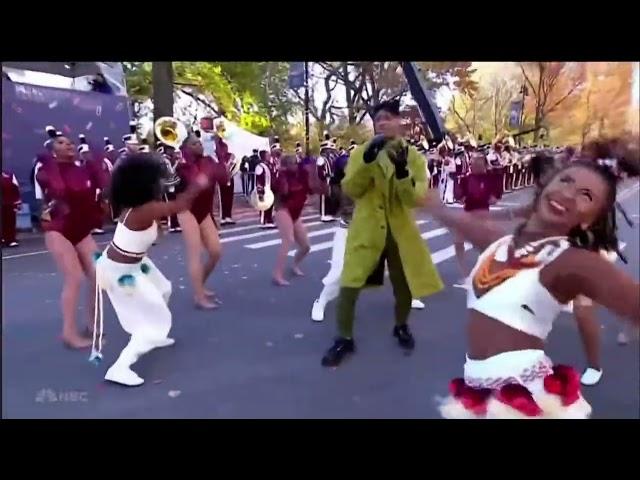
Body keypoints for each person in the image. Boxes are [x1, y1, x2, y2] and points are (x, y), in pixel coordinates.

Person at [422, 145, 640, 419]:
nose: (568, 194)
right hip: (477, 392)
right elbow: (459, 221)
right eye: (566, 180)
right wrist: (432, 206)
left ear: (589, 222)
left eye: (586, 195)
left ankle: (594, 365)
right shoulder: (498, 243)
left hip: (525, 403)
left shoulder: (573, 262)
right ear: (547, 184)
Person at [320, 99, 444, 367]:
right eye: (378, 119)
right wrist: (367, 160)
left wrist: (401, 172)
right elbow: (351, 189)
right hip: (367, 229)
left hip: (399, 231)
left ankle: (401, 326)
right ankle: (344, 338)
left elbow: (413, 199)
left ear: (400, 122)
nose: (383, 122)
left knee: (403, 285)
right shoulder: (362, 152)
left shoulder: (414, 157)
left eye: (388, 117)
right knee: (349, 283)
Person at [93, 152, 209, 386]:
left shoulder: (139, 206)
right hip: (121, 271)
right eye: (157, 179)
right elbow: (182, 204)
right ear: (145, 184)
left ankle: (154, 334)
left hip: (136, 263)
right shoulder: (145, 209)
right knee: (153, 322)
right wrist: (199, 183)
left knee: (164, 289)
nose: (160, 182)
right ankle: (120, 367)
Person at [311, 142, 427, 322]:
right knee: (340, 270)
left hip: (376, 231)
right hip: (348, 231)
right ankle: (321, 301)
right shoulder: (345, 186)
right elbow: (329, 192)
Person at [35, 129, 109, 349]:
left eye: (70, 142)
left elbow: (103, 186)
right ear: (52, 150)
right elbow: (57, 188)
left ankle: (91, 324)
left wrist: (93, 164)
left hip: (81, 230)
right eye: (61, 143)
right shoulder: (46, 170)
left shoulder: (82, 170)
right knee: (74, 277)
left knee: (99, 274)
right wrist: (51, 160)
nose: (69, 145)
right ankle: (68, 333)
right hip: (58, 229)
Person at [176, 134, 227, 309]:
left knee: (215, 251)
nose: (199, 145)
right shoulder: (181, 166)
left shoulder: (208, 161)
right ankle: (199, 297)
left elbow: (224, 179)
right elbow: (183, 187)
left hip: (204, 211)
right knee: (195, 253)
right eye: (194, 143)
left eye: (199, 142)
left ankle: (200, 284)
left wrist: (220, 155)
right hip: (186, 210)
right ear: (187, 147)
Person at [272, 154, 327, 286]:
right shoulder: (281, 178)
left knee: (306, 246)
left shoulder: (302, 176)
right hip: (283, 210)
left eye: (296, 163)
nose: (295, 165)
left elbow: (315, 190)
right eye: (292, 164)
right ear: (286, 165)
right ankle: (277, 274)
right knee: (288, 240)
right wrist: (283, 174)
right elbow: (283, 191)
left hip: (295, 214)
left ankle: (295, 265)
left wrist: (314, 173)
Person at [452, 153, 499, 288]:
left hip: (483, 214)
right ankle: (465, 275)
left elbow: (495, 199)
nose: (473, 165)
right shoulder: (466, 179)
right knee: (458, 242)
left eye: (477, 163)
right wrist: (462, 197)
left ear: (484, 165)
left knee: (484, 247)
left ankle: (485, 274)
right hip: (468, 213)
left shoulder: (491, 178)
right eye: (472, 163)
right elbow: (461, 197)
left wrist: (483, 196)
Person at [214, 122, 237, 225]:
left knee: (229, 195)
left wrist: (231, 164)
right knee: (221, 196)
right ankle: (222, 217)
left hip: (229, 175)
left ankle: (228, 216)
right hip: (220, 176)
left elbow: (233, 160)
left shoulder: (228, 150)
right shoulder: (215, 148)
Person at [317, 133, 338, 222]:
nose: (330, 151)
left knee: (329, 197)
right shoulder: (321, 158)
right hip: (324, 180)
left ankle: (329, 213)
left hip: (330, 179)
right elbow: (319, 170)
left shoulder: (330, 158)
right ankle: (323, 214)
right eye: (328, 150)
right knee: (324, 197)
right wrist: (325, 176)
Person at [255, 148, 278, 229]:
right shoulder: (260, 166)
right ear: (264, 156)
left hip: (271, 188)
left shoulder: (269, 165)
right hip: (265, 189)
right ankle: (264, 221)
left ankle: (269, 219)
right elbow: (259, 180)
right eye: (268, 155)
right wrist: (260, 191)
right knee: (264, 205)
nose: (269, 156)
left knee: (270, 204)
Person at [1, 169, 21, 247]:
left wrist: (17, 202)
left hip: (9, 203)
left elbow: (16, 188)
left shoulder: (9, 175)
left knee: (10, 221)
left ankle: (10, 239)